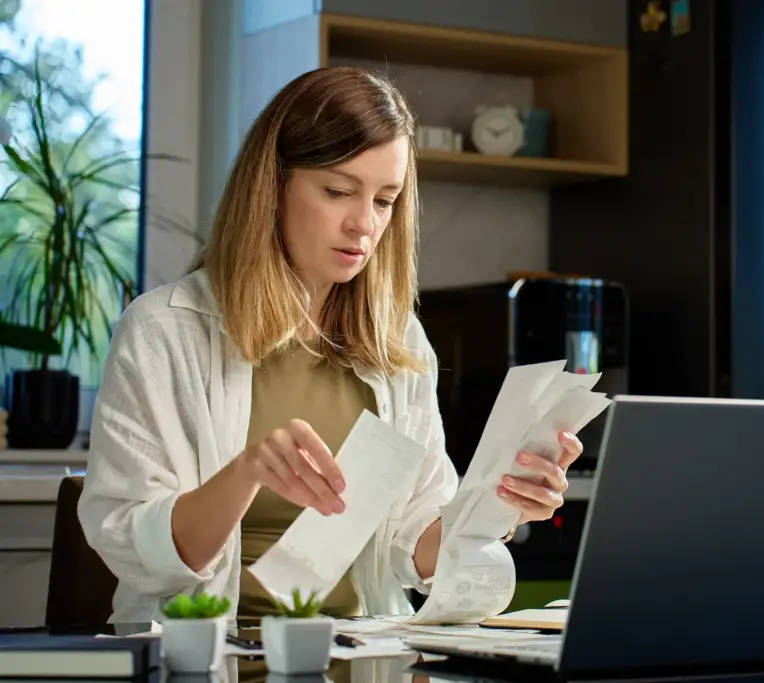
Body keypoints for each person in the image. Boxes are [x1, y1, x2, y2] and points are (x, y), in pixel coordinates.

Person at [78, 67, 584, 622]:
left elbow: (412, 546)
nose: (364, 224)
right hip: (205, 654)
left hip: (359, 653)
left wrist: (500, 504)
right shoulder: (163, 331)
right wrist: (247, 471)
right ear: (272, 186)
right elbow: (132, 548)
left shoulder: (399, 345)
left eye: (386, 200)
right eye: (339, 191)